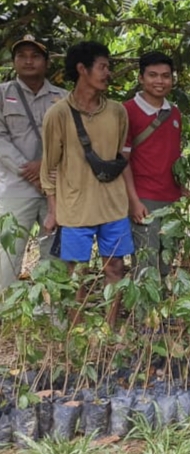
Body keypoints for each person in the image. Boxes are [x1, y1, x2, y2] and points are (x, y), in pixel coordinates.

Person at [40, 41, 132, 325]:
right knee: (75, 273)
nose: (108, 73)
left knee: (115, 268)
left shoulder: (117, 112)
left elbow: (119, 155)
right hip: (75, 208)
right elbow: (49, 166)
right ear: (83, 69)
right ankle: (78, 335)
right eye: (102, 67)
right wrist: (54, 210)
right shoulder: (58, 114)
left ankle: (109, 329)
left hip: (113, 207)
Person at [0, 35, 68, 292]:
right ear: (14, 61)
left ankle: (52, 315)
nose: (28, 61)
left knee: (55, 252)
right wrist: (26, 168)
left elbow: (71, 142)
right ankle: (5, 313)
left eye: (35, 56)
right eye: (22, 56)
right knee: (7, 252)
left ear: (47, 62)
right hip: (16, 187)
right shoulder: (2, 94)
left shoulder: (63, 98)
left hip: (56, 187)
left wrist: (44, 167)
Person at [121, 51, 185, 280]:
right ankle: (143, 315)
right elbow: (122, 161)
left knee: (167, 258)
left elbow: (173, 155)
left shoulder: (174, 112)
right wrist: (133, 201)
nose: (160, 81)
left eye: (166, 76)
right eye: (153, 75)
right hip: (144, 198)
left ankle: (162, 314)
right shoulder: (127, 111)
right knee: (146, 262)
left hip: (171, 198)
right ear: (141, 78)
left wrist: (182, 189)